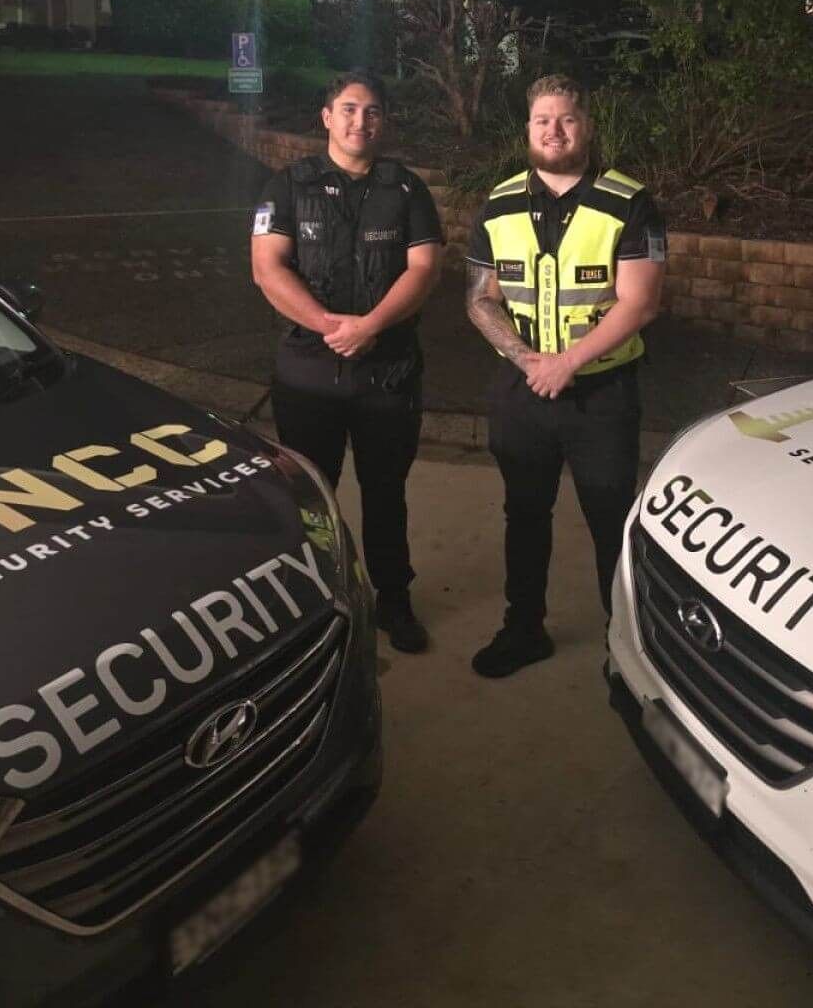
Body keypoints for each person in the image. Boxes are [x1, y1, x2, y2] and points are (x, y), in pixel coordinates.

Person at [464, 74, 665, 678]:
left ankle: (625, 648)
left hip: (601, 394)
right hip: (522, 391)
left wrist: (567, 364)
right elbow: (479, 299)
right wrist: (531, 364)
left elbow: (641, 302)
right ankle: (523, 629)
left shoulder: (629, 201)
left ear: (587, 126)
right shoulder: (497, 203)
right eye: (541, 120)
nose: (553, 130)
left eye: (567, 119)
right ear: (527, 128)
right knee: (524, 514)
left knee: (611, 521)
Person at [249, 70, 444, 652]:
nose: (362, 121)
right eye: (350, 109)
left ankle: (394, 601)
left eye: (374, 111)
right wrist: (332, 327)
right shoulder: (286, 186)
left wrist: (371, 327)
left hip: (387, 375)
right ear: (327, 117)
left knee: (387, 493)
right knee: (311, 497)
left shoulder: (406, 190)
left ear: (383, 123)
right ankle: (315, 597)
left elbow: (424, 269)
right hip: (309, 374)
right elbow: (267, 268)